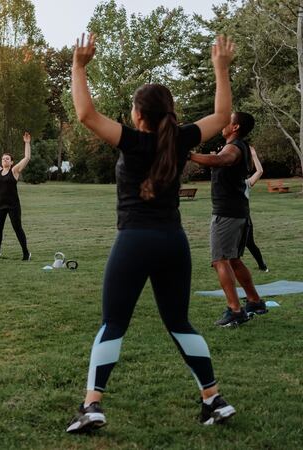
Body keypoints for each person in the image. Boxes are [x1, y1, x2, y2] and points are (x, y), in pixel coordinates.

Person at [66, 33, 237, 433]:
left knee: (114, 323)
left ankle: (92, 405)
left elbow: (86, 115)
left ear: (140, 116)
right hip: (173, 243)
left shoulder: (133, 141)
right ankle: (213, 399)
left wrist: (78, 66)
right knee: (179, 322)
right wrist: (221, 69)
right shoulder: (181, 139)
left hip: (135, 242)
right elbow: (221, 114)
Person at [190, 112, 268, 327]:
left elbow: (221, 160)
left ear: (235, 127)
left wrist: (188, 155)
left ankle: (235, 310)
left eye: (228, 120)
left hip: (227, 214)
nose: (223, 124)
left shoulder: (234, 147)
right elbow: (219, 159)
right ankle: (255, 301)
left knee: (220, 260)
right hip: (237, 212)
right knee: (233, 259)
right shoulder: (236, 146)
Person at [0, 133, 32, 260]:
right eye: (3, 159)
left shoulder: (14, 171)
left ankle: (26, 253)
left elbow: (27, 157)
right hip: (0, 205)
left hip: (13, 206)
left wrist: (27, 143)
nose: (5, 160)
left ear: (11, 161)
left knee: (17, 228)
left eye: (7, 159)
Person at [244, 146, 268, 272]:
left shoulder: (246, 183)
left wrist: (254, 155)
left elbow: (259, 172)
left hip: (244, 218)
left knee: (249, 243)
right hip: (231, 217)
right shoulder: (228, 183)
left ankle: (262, 266)